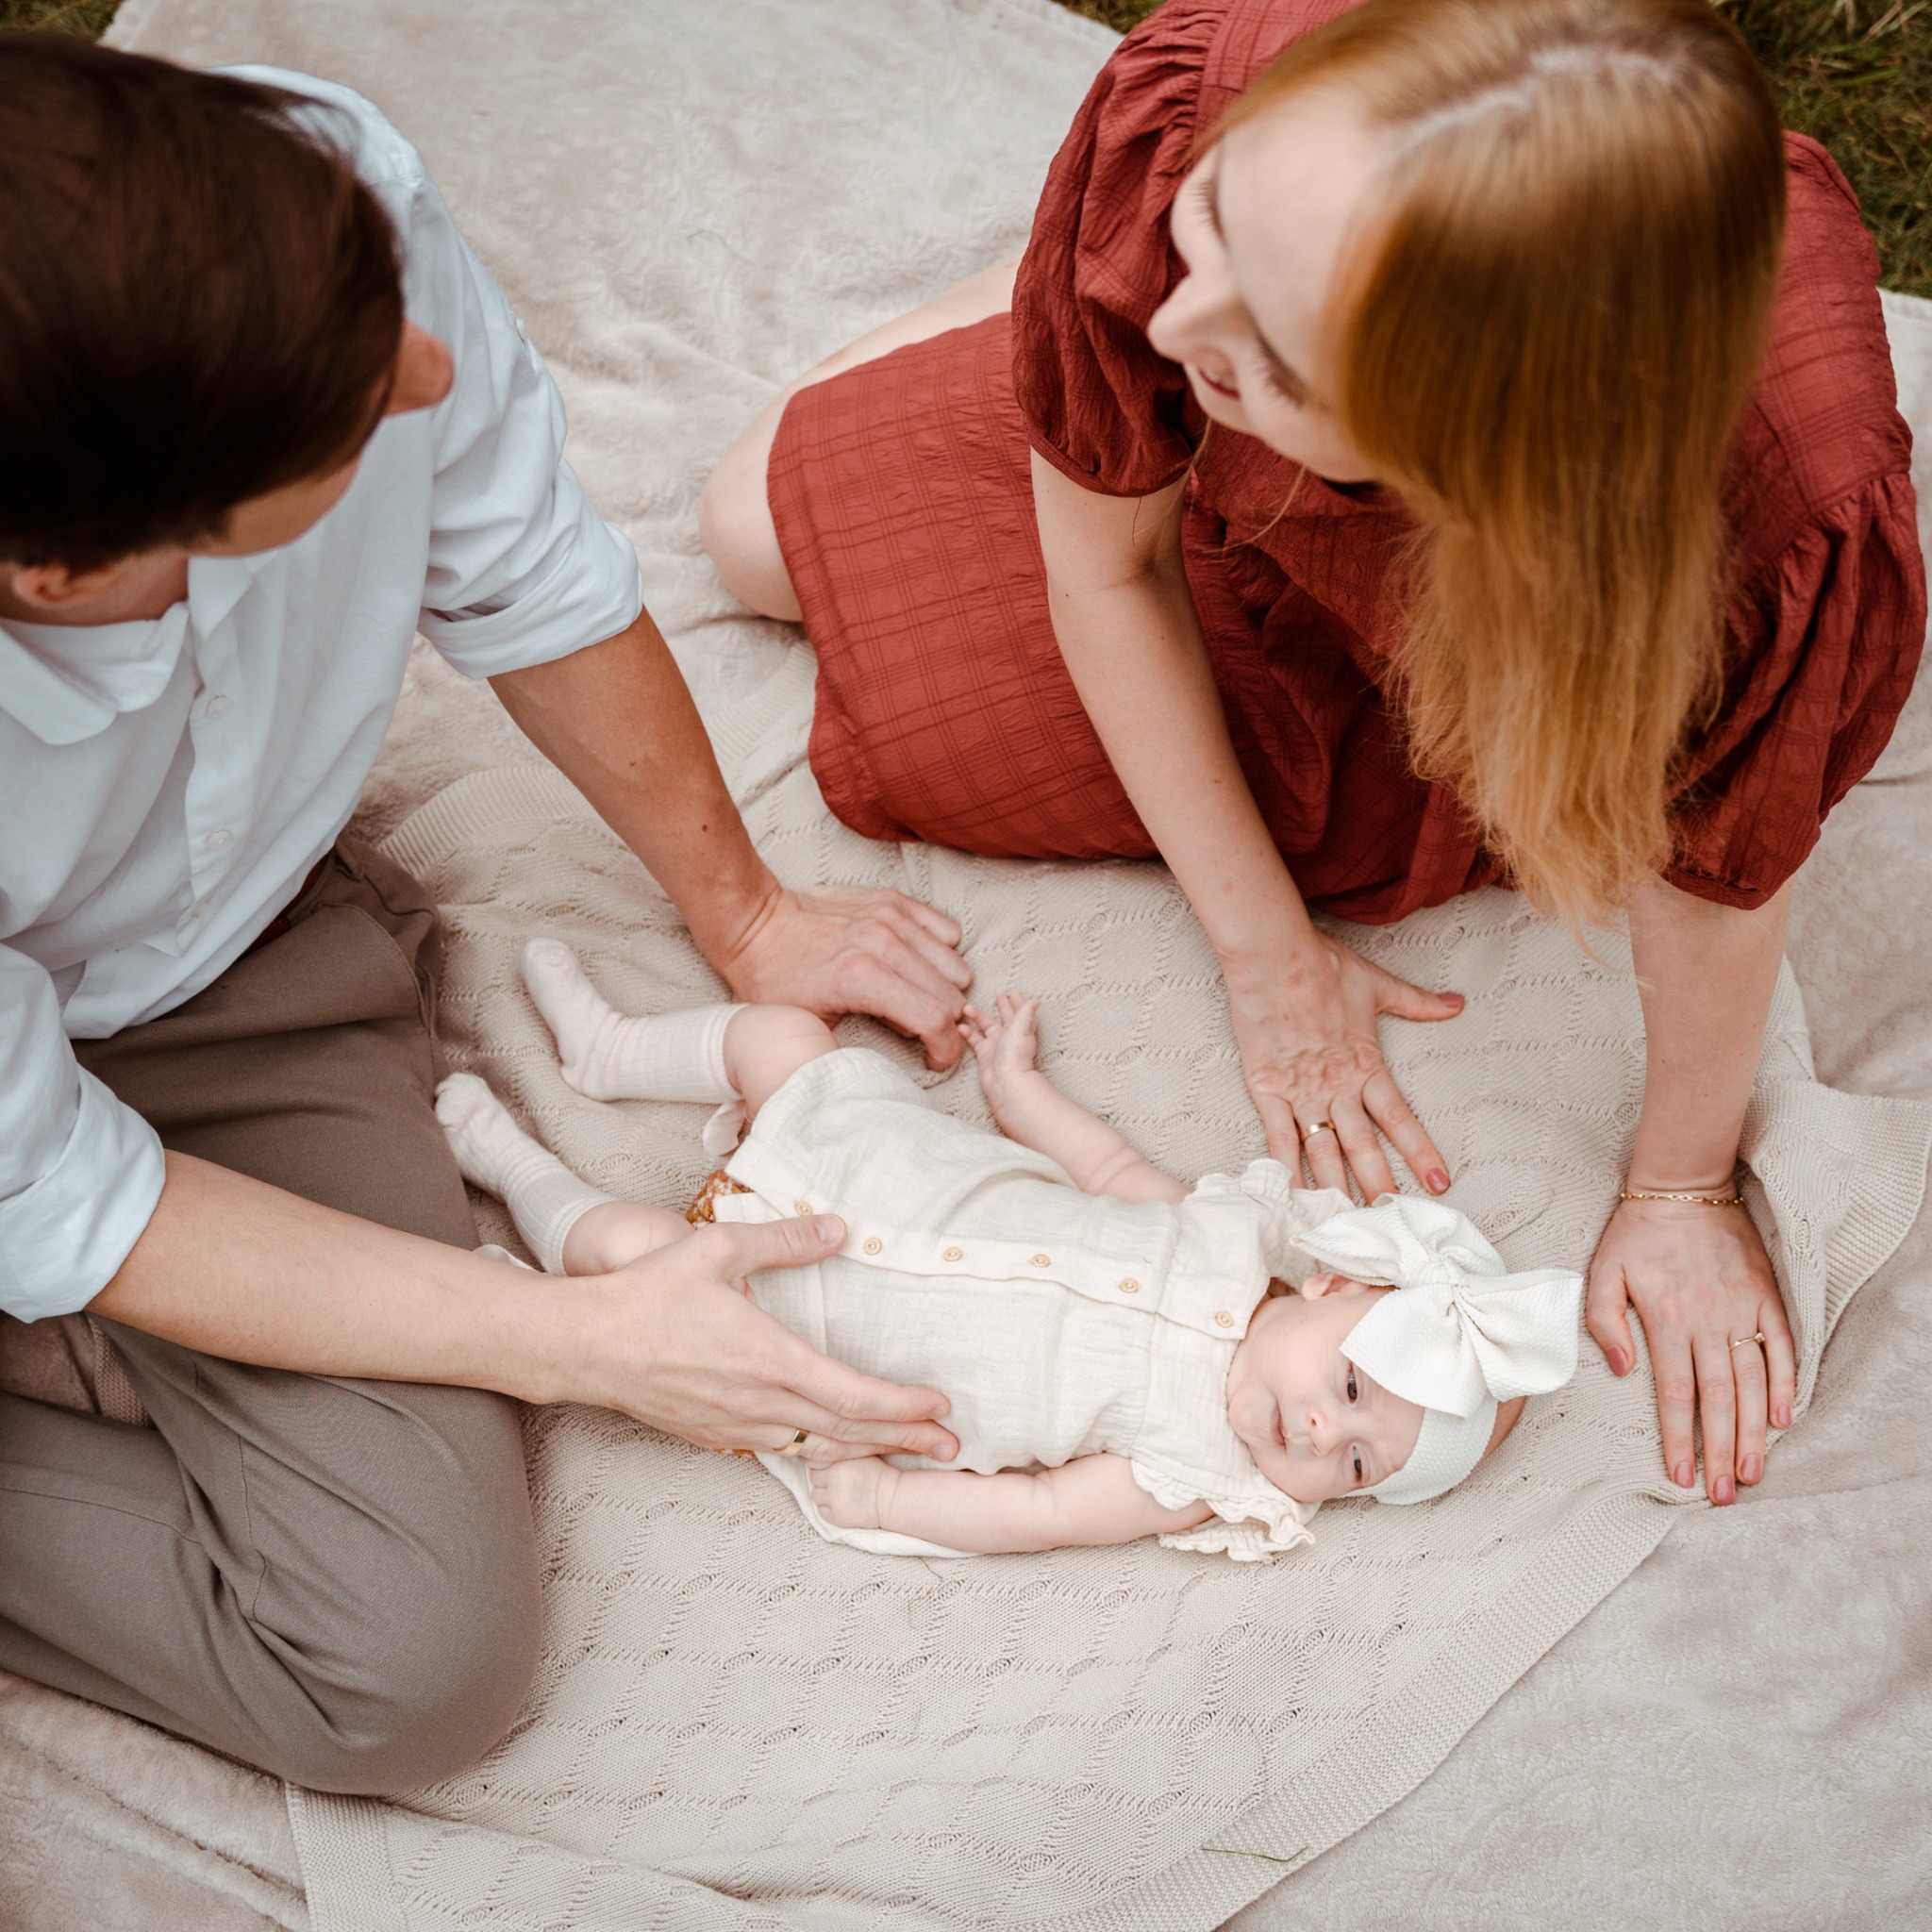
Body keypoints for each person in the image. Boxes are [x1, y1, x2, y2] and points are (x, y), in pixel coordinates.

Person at [696, 0, 1925, 1514]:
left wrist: (1680, 1183)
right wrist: (1266, 951)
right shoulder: (1209, 124)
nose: (1173, 318)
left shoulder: (1779, 519)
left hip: (1489, 611)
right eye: (1212, 228)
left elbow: (1718, 856)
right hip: (1224, 534)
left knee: (1360, 803)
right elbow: (1105, 568)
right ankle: (1023, 323)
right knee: (748, 529)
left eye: (1268, 351)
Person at [0, 36, 971, 1794]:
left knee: (414, 1656)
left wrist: (748, 916)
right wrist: (586, 1341)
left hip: (222, 973)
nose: (428, 366)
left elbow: (526, 563)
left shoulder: (315, 199)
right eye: (343, 410)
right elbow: (54, 1189)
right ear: (58, 573)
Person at [438, 958, 1585, 1558]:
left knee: (631, 1254)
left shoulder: (1185, 1476)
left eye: (1353, 1466)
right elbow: (1106, 1166)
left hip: (800, 1319)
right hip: (882, 1168)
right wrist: (1016, 1089)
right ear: (1329, 1287)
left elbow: (1037, 1513)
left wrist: (893, 1494)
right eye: (1348, 1386)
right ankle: (612, 1052)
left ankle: (519, 1174)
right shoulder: (1227, 1233)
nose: (1322, 1434)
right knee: (785, 1042)